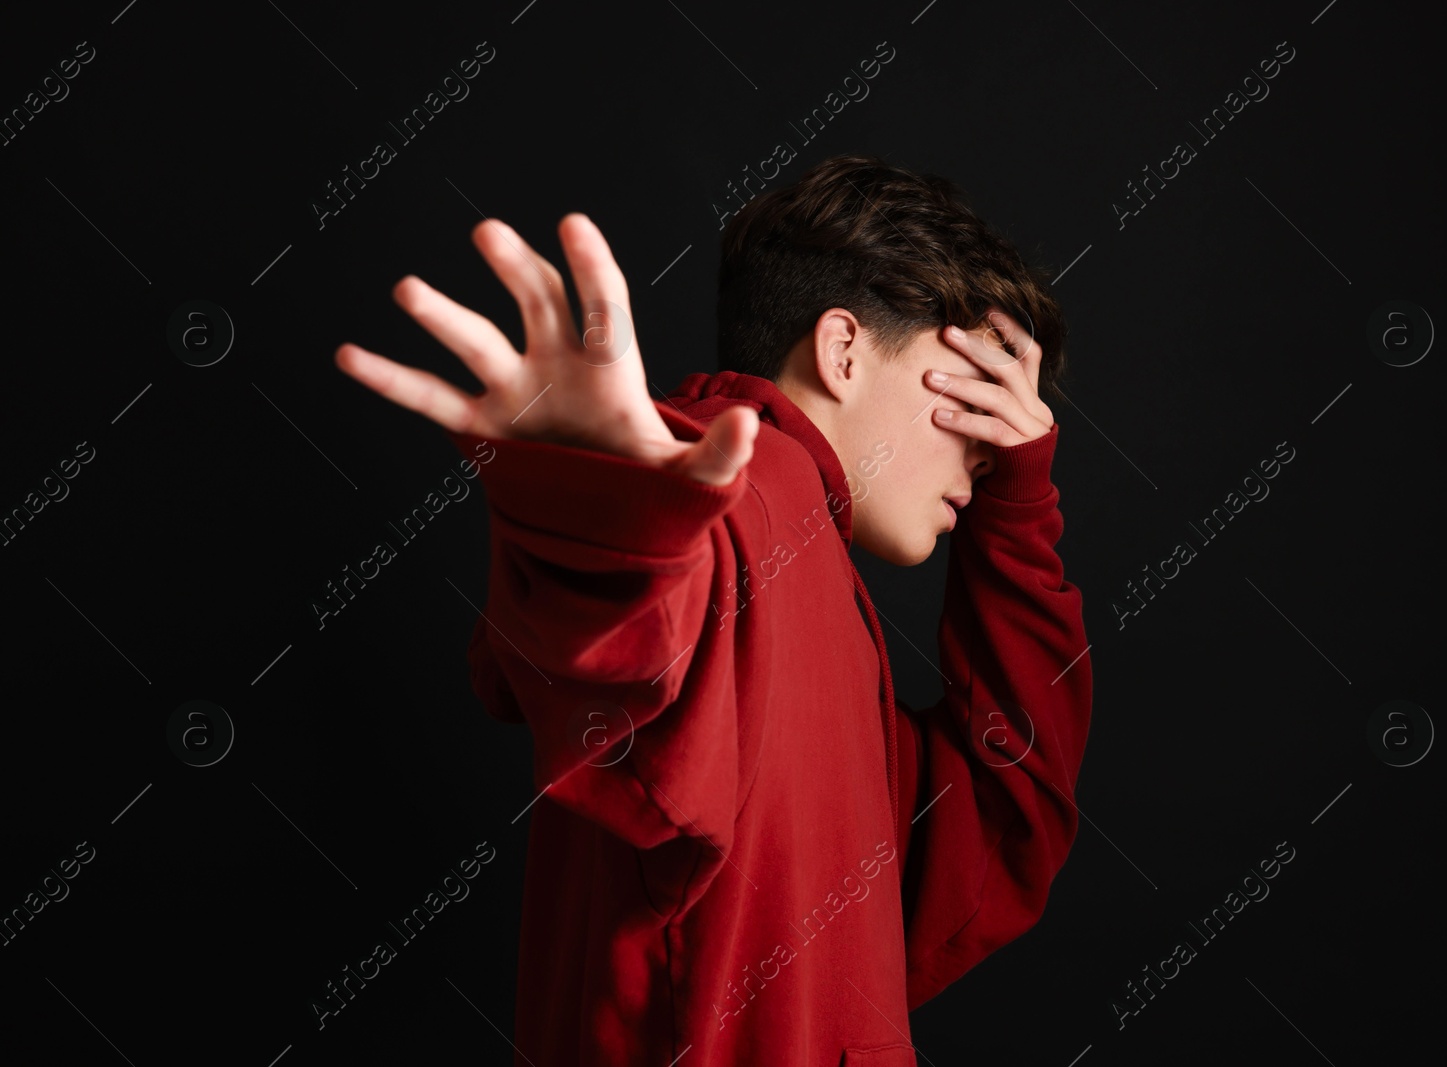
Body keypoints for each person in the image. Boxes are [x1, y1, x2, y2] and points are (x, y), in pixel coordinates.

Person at [334, 154, 1093, 1066]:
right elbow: (642, 612)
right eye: (974, 390)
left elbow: (998, 824)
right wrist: (600, 499)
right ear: (843, 350)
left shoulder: (817, 565)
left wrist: (1016, 511)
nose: (991, 443)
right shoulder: (749, 493)